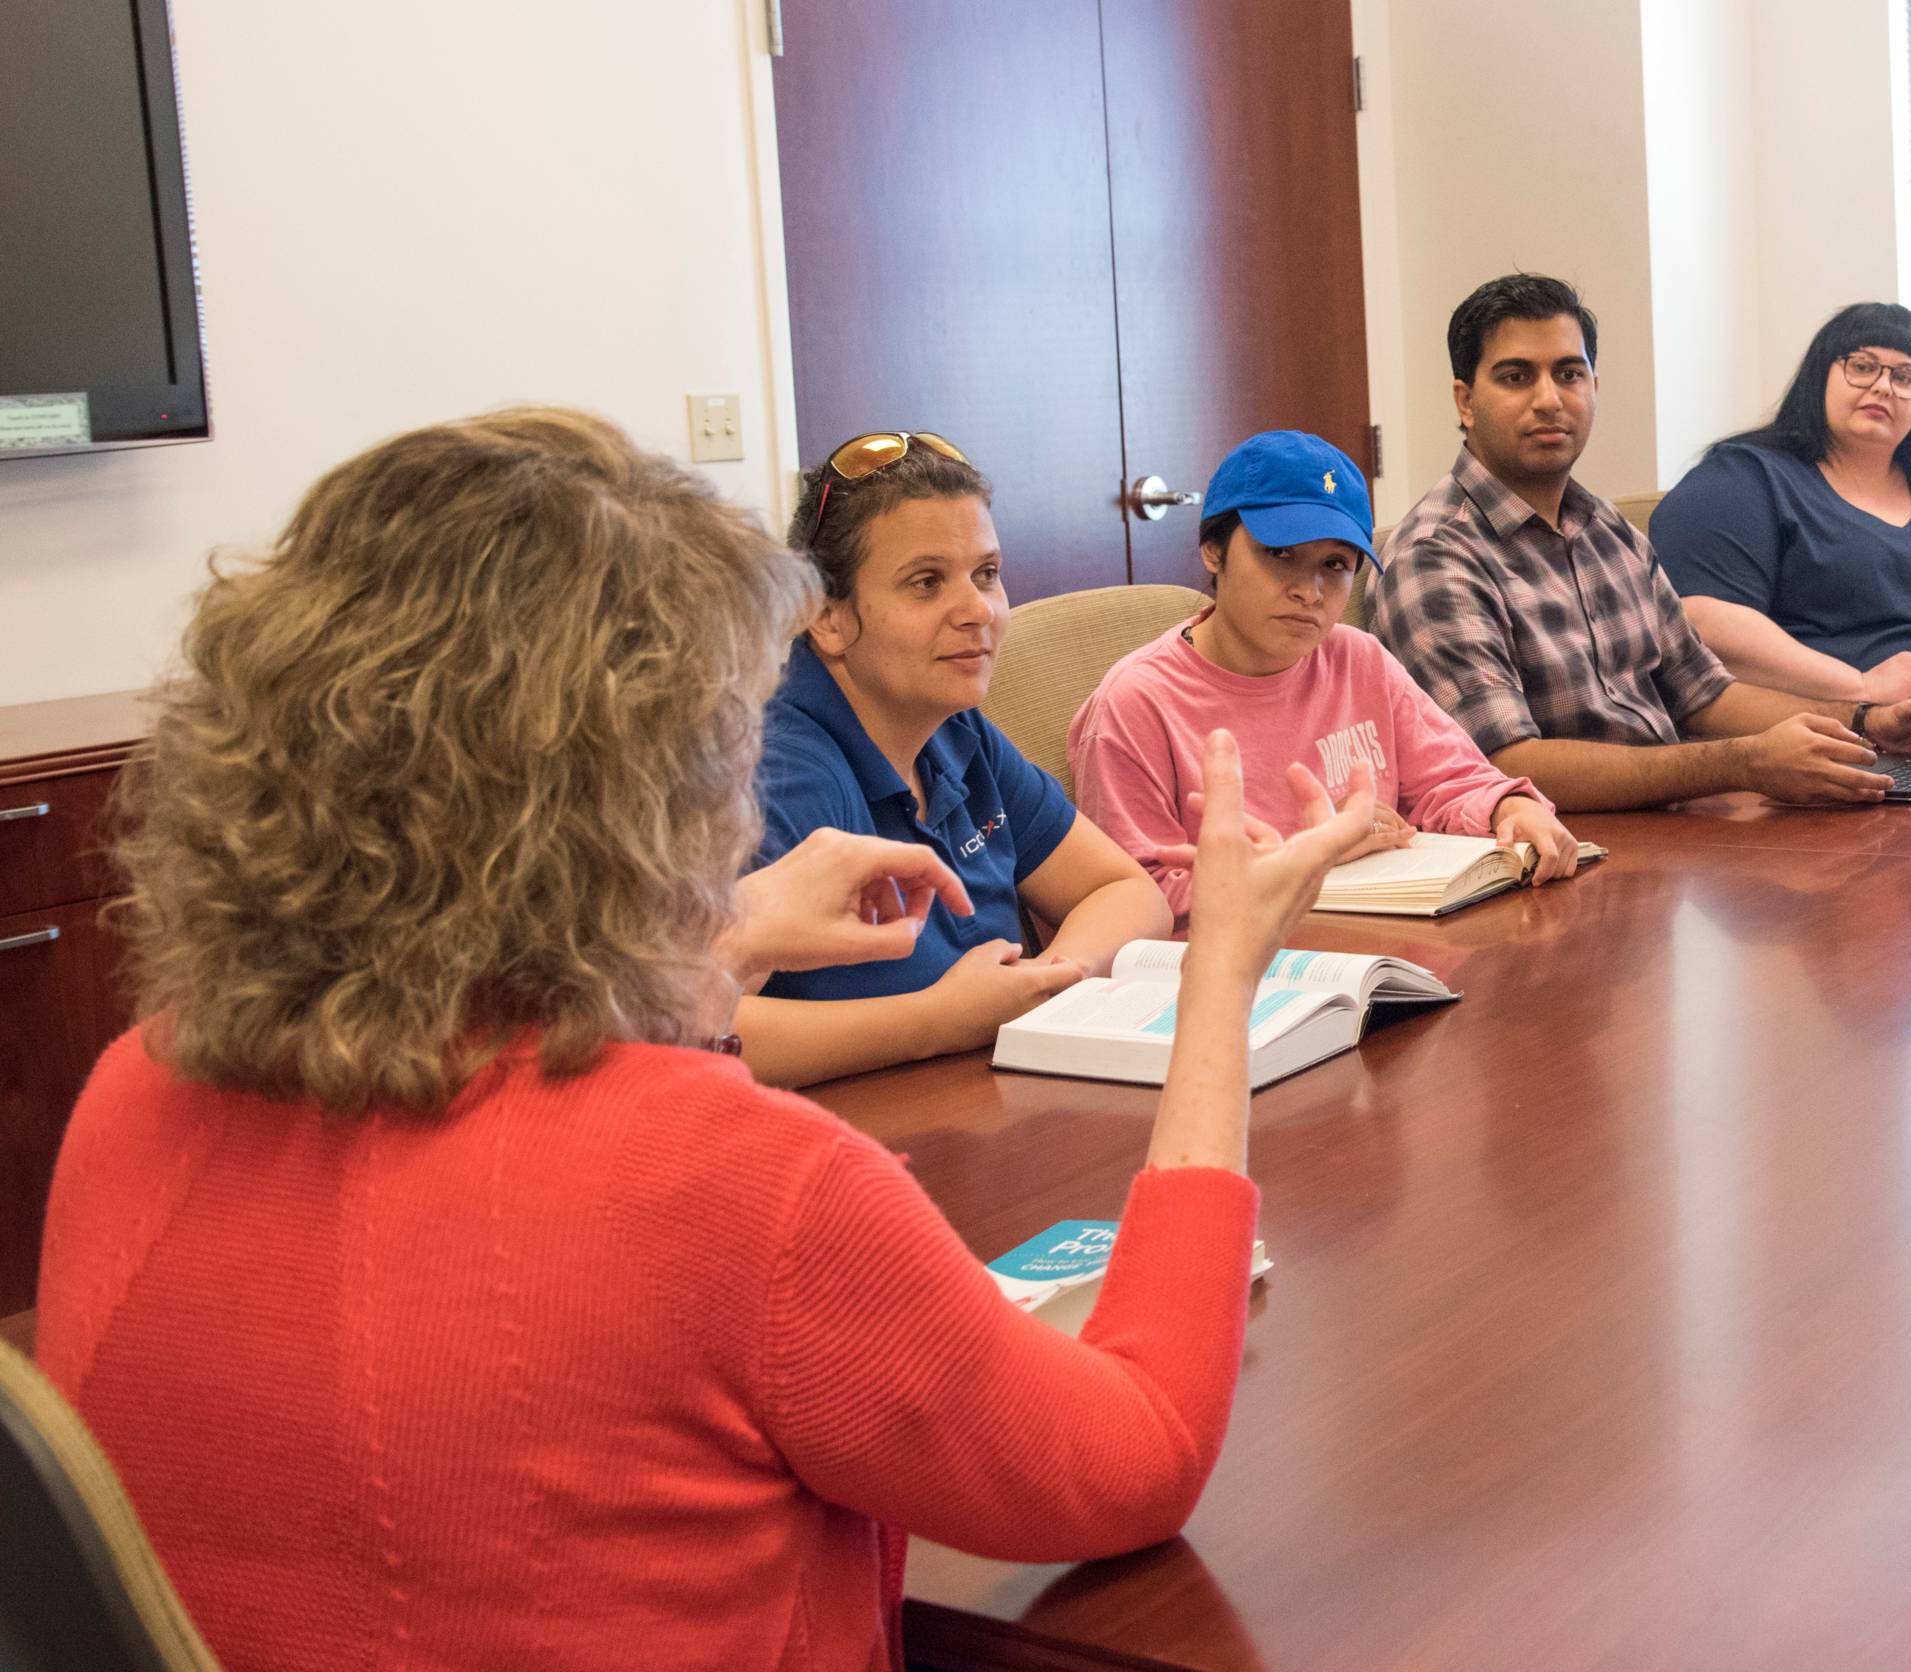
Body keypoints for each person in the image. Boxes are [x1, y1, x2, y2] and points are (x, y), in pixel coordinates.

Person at [37, 408, 1378, 1672]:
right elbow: (1133, 1461)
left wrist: (717, 943)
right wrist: (1220, 978)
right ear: (656, 789)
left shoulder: (129, 1095)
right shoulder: (744, 1184)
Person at [1369, 272, 1911, 812]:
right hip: (1553, 850)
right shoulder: (1436, 554)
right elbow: (1504, 767)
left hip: (1673, 826)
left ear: (1594, 387)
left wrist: (1869, 721)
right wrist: (1745, 764)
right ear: (1466, 401)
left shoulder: (1605, 528)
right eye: (1517, 376)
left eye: (1569, 374)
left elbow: (1704, 695)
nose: (1549, 399)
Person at [744, 429, 1172, 1087]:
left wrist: (1043, 982)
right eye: (925, 582)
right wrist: (940, 1020)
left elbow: (1126, 890)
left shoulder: (954, 731)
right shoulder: (781, 774)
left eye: (987, 574)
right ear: (825, 617)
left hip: (988, 1101)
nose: (978, 611)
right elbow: (699, 1032)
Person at [1070, 427, 1582, 913]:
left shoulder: (1358, 659)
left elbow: (1451, 779)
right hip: (1240, 978)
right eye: (1280, 553)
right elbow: (1134, 899)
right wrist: (1307, 856)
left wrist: (1509, 809)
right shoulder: (1135, 703)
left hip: (1381, 947)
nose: (1309, 591)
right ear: (1213, 550)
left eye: (1334, 565)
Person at [1648, 302, 1911, 704]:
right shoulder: (1744, 478)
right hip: (1832, 734)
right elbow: (1700, 618)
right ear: (1821, 374)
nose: (1883, 386)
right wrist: (1863, 686)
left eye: (1905, 376)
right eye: (1862, 366)